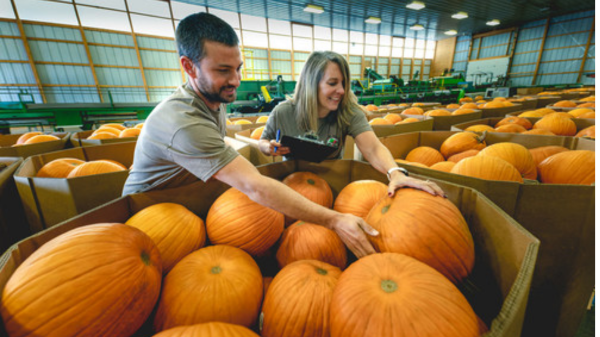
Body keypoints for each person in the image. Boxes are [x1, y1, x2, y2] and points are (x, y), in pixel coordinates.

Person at [122, 12, 383, 258]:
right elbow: (254, 186)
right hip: (150, 217)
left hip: (187, 203)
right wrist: (334, 219)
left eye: (238, 68)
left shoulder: (213, 99)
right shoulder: (183, 121)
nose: (236, 79)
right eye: (223, 70)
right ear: (189, 67)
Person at [258, 50, 445, 197]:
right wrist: (269, 147)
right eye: (332, 83)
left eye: (344, 83)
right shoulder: (283, 111)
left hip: (332, 186)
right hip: (292, 186)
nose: (341, 90)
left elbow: (372, 148)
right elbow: (263, 140)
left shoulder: (348, 111)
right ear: (310, 84)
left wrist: (395, 172)